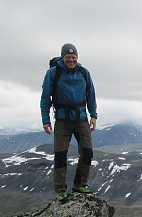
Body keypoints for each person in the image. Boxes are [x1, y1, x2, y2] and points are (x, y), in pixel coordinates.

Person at [40, 43, 98, 203]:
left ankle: (80, 185)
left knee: (87, 152)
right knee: (60, 155)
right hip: (62, 119)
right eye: (68, 57)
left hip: (81, 118)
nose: (71, 60)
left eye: (73, 57)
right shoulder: (53, 73)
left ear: (77, 58)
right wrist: (46, 120)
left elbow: (91, 94)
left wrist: (93, 115)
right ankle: (60, 190)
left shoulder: (84, 73)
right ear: (63, 57)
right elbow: (45, 98)